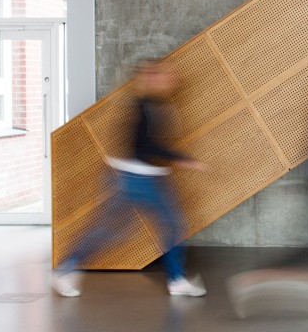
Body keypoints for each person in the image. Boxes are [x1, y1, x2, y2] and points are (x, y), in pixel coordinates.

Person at [52, 60, 208, 297]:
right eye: (166, 75)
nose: (172, 79)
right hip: (136, 178)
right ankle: (65, 270)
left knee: (159, 226)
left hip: (143, 177)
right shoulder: (141, 106)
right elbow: (142, 146)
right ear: (152, 78)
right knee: (139, 228)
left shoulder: (156, 105)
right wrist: (182, 159)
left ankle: (176, 280)